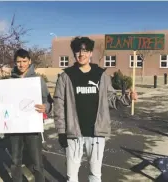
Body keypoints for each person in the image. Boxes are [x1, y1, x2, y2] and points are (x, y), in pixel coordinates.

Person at [53, 36, 137, 182]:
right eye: (78, 51)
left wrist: (127, 98)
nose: (81, 54)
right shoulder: (66, 76)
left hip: (96, 133)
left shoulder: (101, 75)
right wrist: (61, 131)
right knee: (71, 175)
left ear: (91, 53)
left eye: (85, 51)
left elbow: (111, 100)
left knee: (95, 174)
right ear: (74, 54)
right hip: (74, 133)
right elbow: (59, 105)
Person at [9, 48, 52, 182]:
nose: (21, 64)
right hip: (15, 126)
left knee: (37, 162)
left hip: (32, 127)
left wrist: (46, 107)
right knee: (15, 161)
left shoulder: (38, 80)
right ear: (15, 63)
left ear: (30, 61)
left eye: (24, 61)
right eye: (18, 62)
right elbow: (2, 102)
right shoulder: (9, 81)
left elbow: (48, 101)